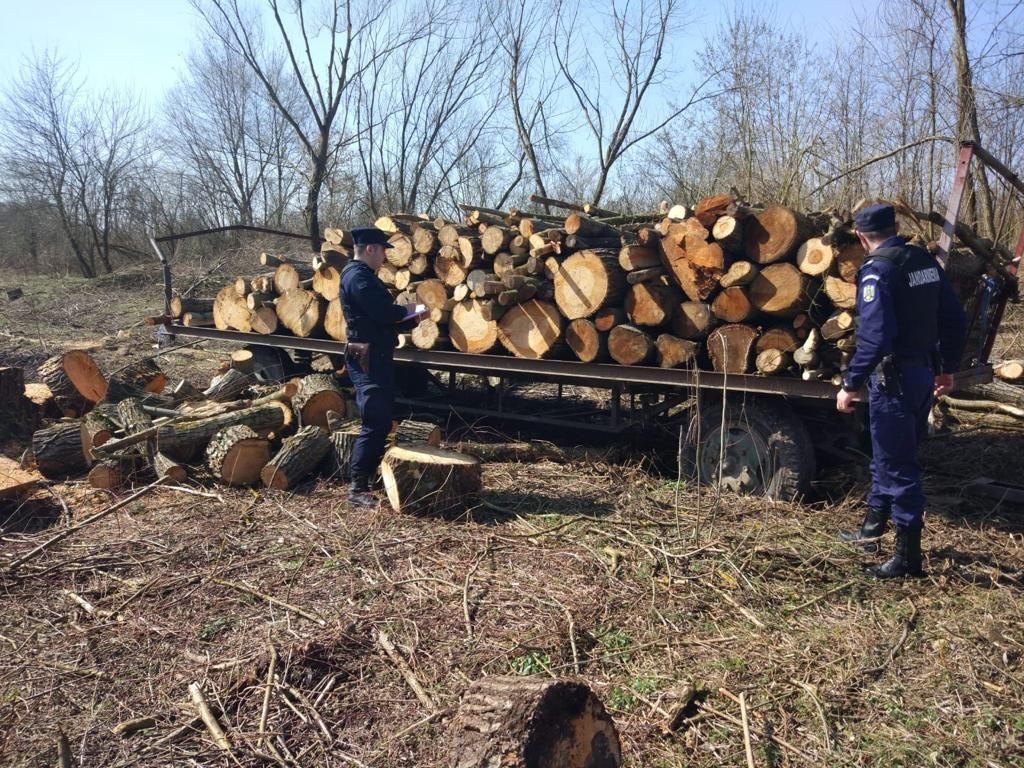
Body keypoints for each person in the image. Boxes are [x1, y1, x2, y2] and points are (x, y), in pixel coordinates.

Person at [835, 203, 967, 578]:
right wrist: (948, 368)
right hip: (922, 375)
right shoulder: (923, 261)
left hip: (893, 381)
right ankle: (871, 530)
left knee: (899, 468)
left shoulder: (878, 270)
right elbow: (955, 318)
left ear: (861, 236)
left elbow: (875, 338)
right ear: (895, 227)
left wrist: (850, 383)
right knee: (886, 456)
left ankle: (907, 560)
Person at [341, 226, 427, 507]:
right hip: (367, 357)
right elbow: (383, 312)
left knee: (381, 417)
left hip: (375, 354)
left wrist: (410, 319)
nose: (384, 258)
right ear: (370, 249)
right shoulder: (358, 277)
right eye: (382, 252)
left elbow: (380, 320)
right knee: (375, 420)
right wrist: (409, 311)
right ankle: (357, 488)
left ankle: (368, 476)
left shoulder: (364, 276)